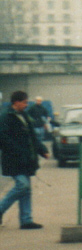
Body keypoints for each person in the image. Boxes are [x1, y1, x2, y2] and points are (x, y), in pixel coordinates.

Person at [0, 91, 49, 229]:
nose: (26, 105)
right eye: (25, 102)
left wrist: (42, 149)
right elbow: (3, 138)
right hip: (14, 159)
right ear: (16, 102)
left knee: (26, 190)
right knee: (23, 185)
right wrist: (17, 151)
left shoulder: (25, 116)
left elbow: (32, 136)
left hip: (27, 159)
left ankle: (26, 220)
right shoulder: (5, 117)